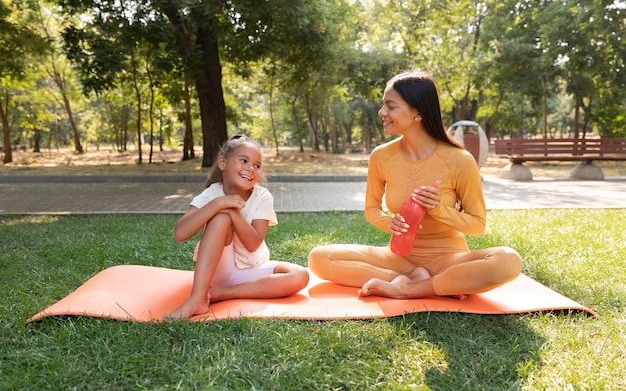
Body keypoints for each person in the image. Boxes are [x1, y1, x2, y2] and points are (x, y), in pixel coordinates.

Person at [308, 70, 522, 300]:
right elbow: (371, 209)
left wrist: (439, 209)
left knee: (508, 260)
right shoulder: (381, 156)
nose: (382, 113)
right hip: (399, 258)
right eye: (383, 106)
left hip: (447, 258)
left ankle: (410, 288)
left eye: (391, 106)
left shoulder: (460, 160)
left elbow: (477, 225)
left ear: (418, 113)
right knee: (319, 258)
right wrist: (390, 224)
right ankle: (418, 281)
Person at [164, 135, 309, 320]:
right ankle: (196, 299)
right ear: (223, 163)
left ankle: (221, 294)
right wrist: (218, 204)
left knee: (300, 275)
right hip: (219, 272)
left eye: (257, 165)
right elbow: (180, 233)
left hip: (251, 271)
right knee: (221, 218)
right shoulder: (213, 193)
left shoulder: (262, 197)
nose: (251, 168)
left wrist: (233, 212)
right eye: (244, 160)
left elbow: (253, 244)